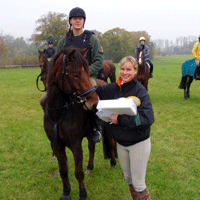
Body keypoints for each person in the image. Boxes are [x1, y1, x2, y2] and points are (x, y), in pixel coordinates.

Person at [96, 56, 154, 200]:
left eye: (129, 69)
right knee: (129, 180)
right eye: (122, 69)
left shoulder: (140, 91)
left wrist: (120, 119)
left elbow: (147, 118)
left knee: (138, 185)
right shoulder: (114, 88)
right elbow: (94, 91)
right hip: (121, 144)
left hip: (138, 143)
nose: (125, 72)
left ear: (135, 72)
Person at [43, 7, 104, 143]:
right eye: (74, 19)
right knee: (43, 100)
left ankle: (96, 128)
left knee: (93, 98)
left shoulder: (91, 38)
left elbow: (99, 60)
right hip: (68, 78)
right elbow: (56, 60)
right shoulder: (64, 40)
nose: (77, 21)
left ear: (83, 21)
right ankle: (52, 124)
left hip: (87, 76)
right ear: (70, 21)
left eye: (80, 19)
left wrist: (86, 73)